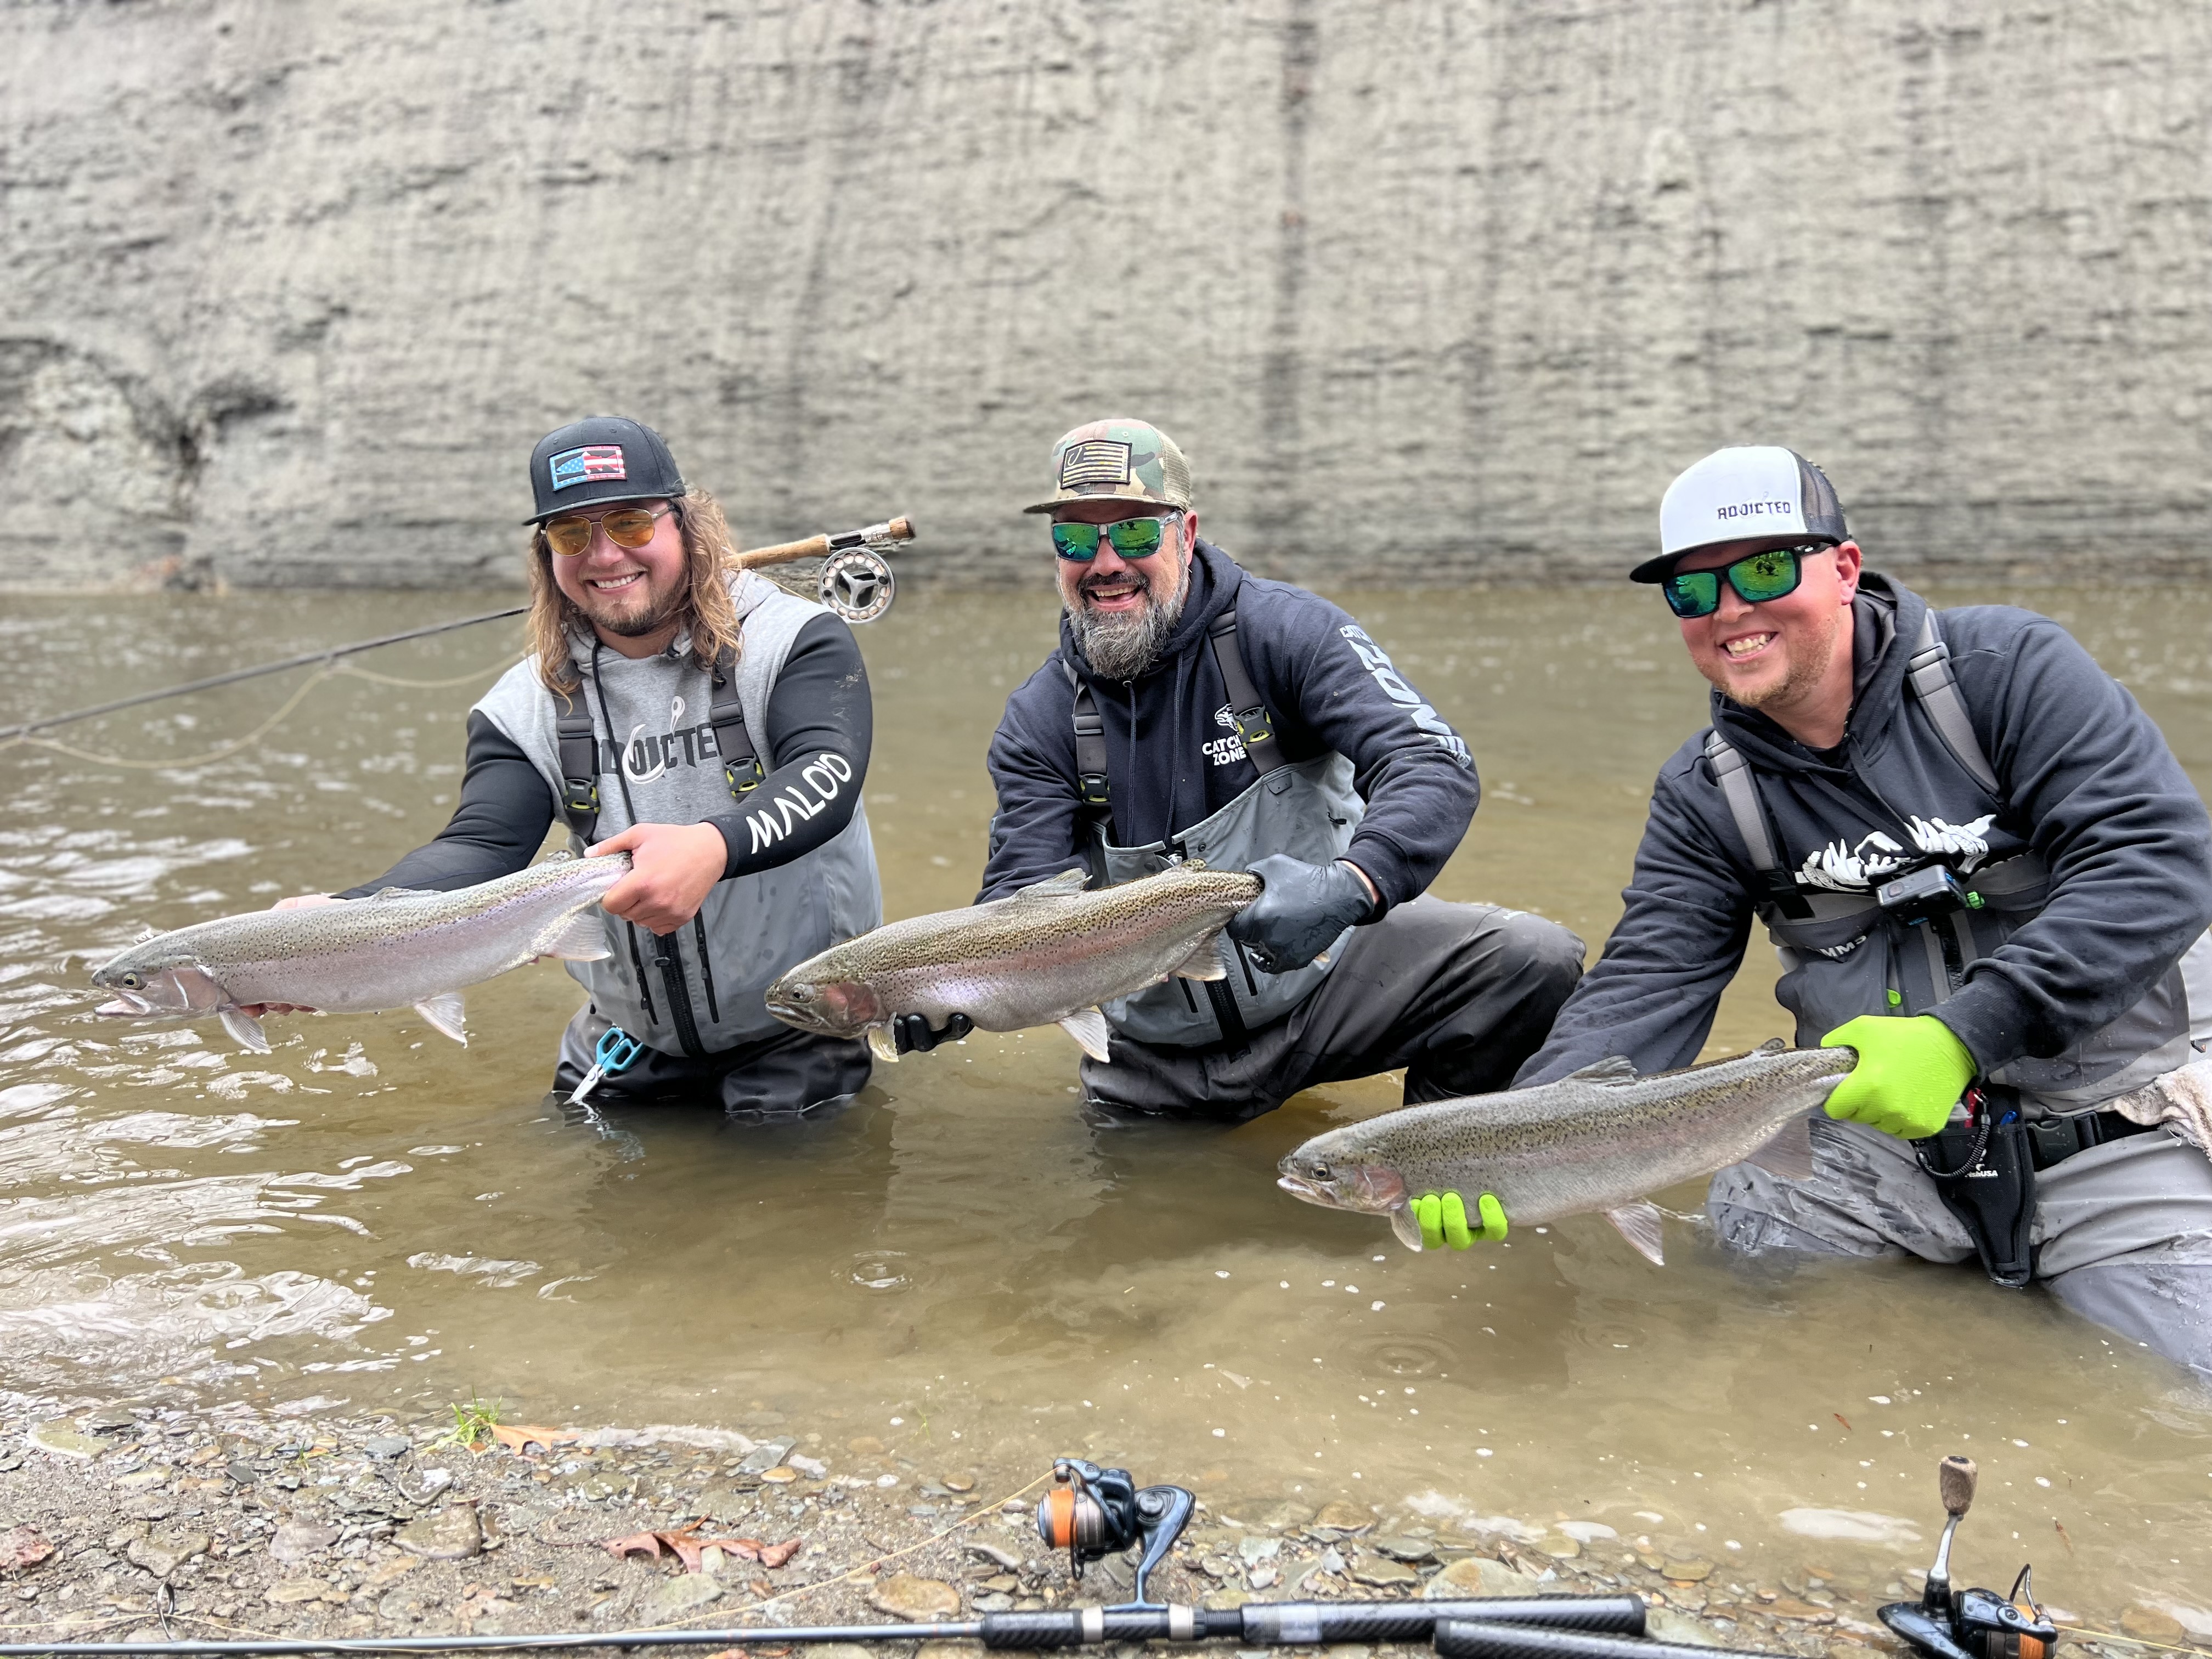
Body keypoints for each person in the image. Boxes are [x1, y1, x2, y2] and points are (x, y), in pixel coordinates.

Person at [1419, 443, 2212, 1376]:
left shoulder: (2007, 669)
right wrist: (1514, 1139)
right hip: (1865, 1149)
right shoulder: (1704, 790)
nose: (1729, 611)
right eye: (1691, 590)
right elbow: (1647, 982)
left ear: (1842, 567)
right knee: (1756, 1355)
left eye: (1762, 569)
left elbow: (2159, 860)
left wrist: (1965, 1032)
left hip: (2109, 1117)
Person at [895, 417, 1584, 1121]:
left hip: (1329, 986)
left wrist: (1351, 885)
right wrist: (953, 985)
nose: (1104, 562)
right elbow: (1022, 896)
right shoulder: (1038, 720)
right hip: (1156, 1055)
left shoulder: (1284, 633)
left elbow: (1430, 760)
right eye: (1075, 537)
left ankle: (1428, 1155)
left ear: (1186, 535)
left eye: (1134, 532)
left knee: (1530, 961)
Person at [262, 416, 882, 1115]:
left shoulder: (795, 641)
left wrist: (714, 845)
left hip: (802, 1023)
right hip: (624, 1039)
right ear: (546, 555)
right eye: (571, 534)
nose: (605, 555)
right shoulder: (521, 704)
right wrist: (344, 921)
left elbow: (824, 774)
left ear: (685, 525)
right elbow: (482, 846)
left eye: (630, 523)